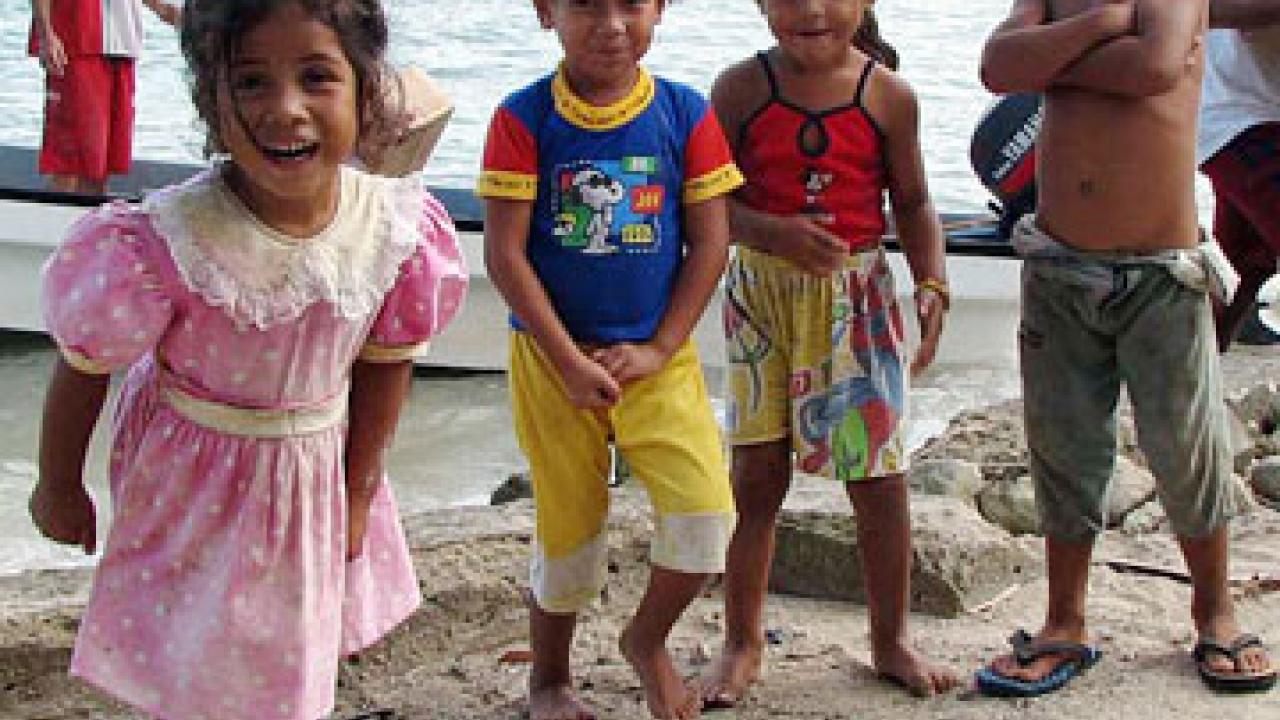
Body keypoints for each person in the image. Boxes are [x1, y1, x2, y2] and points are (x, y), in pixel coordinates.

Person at [27, 1, 468, 718]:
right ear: (211, 101)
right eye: (252, 82)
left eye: (317, 77)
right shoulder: (165, 240)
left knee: (288, 659)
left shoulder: (391, 229)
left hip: (312, 480)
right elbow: (86, 362)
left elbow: (387, 362)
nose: (285, 109)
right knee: (185, 656)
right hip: (188, 483)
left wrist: (357, 493)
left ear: (365, 90)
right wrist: (57, 484)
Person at [976, 0, 1276, 697]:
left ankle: (1215, 611)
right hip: (1058, 267)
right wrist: (1100, 24)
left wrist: (1052, 59)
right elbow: (997, 66)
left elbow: (1154, 66)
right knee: (1064, 445)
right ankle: (1064, 619)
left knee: (1187, 447)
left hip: (1160, 274)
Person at [478, 0, 742, 716]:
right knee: (569, 530)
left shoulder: (685, 114)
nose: (612, 23)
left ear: (660, 9)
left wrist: (659, 347)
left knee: (705, 518)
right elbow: (503, 254)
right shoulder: (523, 117)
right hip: (551, 360)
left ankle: (645, 640)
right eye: (587, 4)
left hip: (658, 360)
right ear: (545, 12)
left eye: (632, 3)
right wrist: (564, 358)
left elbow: (710, 243)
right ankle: (550, 678)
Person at [699, 0, 956, 706]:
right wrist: (773, 232)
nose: (810, 9)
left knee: (878, 480)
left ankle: (890, 637)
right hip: (762, 299)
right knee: (755, 477)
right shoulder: (740, 89)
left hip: (857, 301)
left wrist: (931, 281)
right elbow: (706, 202)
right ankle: (742, 642)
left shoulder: (888, 96)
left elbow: (914, 199)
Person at [29, 0, 182, 194]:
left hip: (123, 44)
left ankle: (89, 221)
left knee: (100, 170)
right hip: (77, 42)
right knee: (68, 167)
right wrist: (46, 34)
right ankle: (52, 222)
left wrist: (169, 12)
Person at [1199, 1, 1280, 350]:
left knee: (1242, 263)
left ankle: (1181, 382)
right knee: (1241, 264)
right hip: (1239, 119)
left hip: (1255, 113)